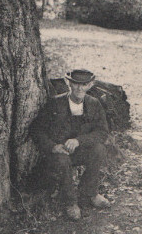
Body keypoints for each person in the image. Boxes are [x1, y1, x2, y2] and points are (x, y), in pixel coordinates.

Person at [31, 69, 110, 221]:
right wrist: (53, 146)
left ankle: (90, 193)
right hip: (58, 154)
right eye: (76, 84)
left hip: (80, 150)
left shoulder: (94, 104)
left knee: (99, 150)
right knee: (61, 160)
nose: (79, 89)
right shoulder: (55, 103)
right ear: (69, 83)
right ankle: (70, 202)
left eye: (84, 85)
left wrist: (79, 141)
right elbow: (37, 129)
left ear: (90, 85)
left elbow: (102, 132)